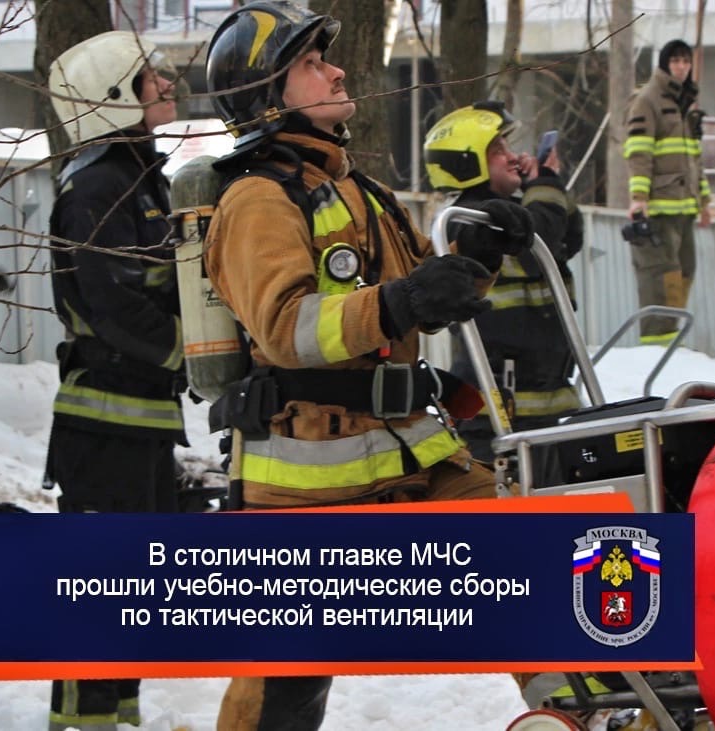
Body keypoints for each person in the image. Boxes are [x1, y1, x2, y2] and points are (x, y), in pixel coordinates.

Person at [202, 3, 532, 728]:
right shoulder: (256, 199)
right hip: (303, 487)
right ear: (268, 95)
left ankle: (593, 711)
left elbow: (424, 292)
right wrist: (404, 299)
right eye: (312, 64)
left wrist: (479, 254)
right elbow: (289, 328)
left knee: (529, 574)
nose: (338, 67)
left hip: (413, 453)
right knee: (281, 690)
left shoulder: (361, 190)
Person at [43, 30, 185, 731]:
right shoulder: (97, 186)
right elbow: (115, 303)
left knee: (130, 583)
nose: (165, 82)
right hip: (105, 425)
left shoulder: (136, 177)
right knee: (102, 584)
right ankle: (80, 722)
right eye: (148, 77)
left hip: (141, 419)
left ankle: (118, 716)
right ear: (112, 100)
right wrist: (192, 352)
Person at [423, 101, 584, 483]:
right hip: (497, 415)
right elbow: (537, 237)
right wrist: (544, 183)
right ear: (468, 162)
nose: (513, 157)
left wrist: (544, 186)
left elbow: (567, 236)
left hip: (539, 407)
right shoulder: (468, 222)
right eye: (498, 151)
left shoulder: (508, 214)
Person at [623, 39, 712, 345]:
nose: (681, 67)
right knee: (661, 277)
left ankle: (672, 341)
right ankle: (656, 348)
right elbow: (638, 152)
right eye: (675, 61)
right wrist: (639, 199)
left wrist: (704, 200)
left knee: (684, 273)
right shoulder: (648, 100)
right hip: (660, 207)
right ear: (664, 64)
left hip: (684, 207)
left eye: (686, 61)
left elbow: (693, 158)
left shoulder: (684, 102)